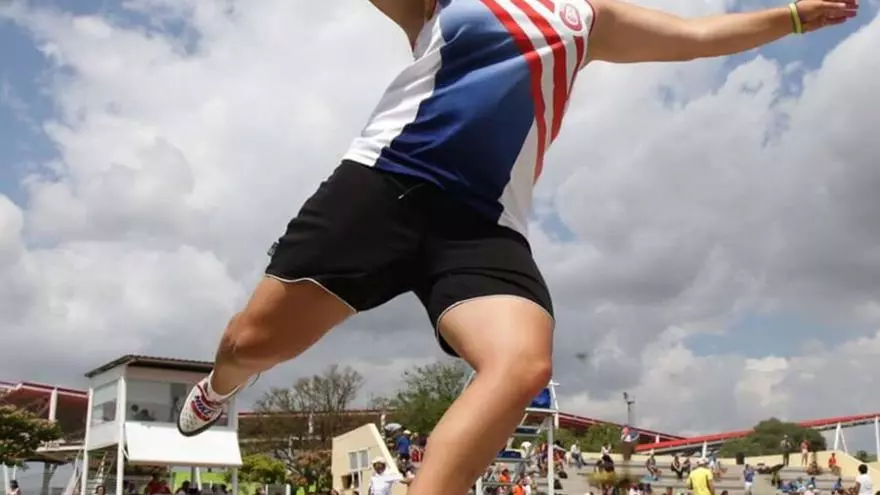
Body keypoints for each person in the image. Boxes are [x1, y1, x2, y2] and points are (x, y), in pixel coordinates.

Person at [175, 0, 859, 493]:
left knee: (524, 360)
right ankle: (222, 384)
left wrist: (792, 17)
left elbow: (696, 36)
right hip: (383, 187)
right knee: (250, 342)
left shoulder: (586, 16)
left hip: (483, 221)